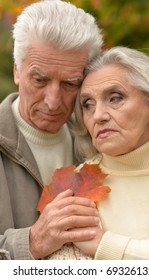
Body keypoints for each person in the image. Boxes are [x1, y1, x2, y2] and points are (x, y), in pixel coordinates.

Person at [0, 0, 103, 260]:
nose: (53, 101)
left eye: (70, 83)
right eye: (40, 79)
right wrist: (31, 242)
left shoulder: (100, 142)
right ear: (17, 71)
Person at [72, 46, 149, 259]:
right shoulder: (73, 188)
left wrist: (105, 247)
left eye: (115, 98)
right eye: (88, 104)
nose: (98, 115)